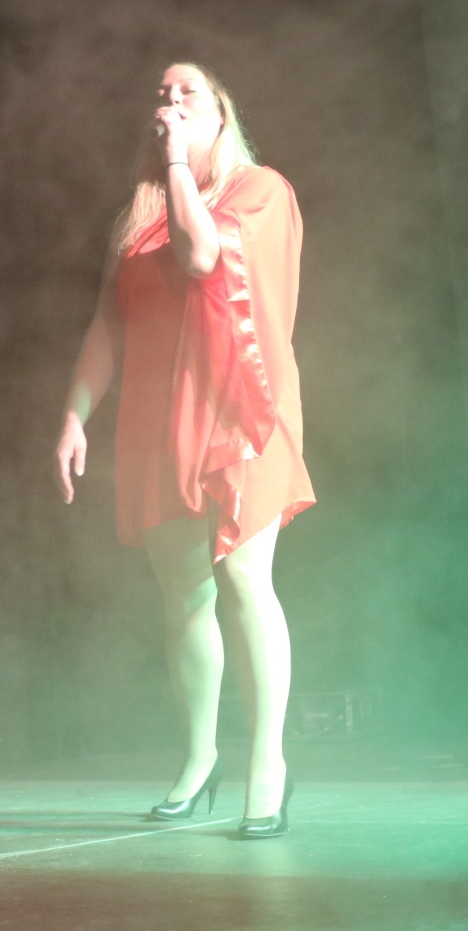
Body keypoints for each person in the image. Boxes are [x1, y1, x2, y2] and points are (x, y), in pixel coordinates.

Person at [54, 63, 314, 839]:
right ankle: (201, 758)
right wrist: (74, 415)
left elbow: (204, 258)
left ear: (222, 114)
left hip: (241, 408)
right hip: (159, 416)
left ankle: (268, 764)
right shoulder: (141, 220)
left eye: (187, 93)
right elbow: (109, 325)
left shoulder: (261, 191)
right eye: (161, 95)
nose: (169, 103)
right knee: (184, 597)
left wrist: (172, 163)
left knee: (244, 577)